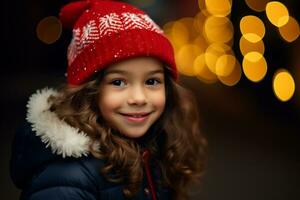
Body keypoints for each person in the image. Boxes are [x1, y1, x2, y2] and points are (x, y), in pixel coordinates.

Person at [10, 0, 207, 199]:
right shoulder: (66, 177)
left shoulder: (155, 148)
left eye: (152, 81)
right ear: (89, 91)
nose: (139, 98)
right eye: (119, 82)